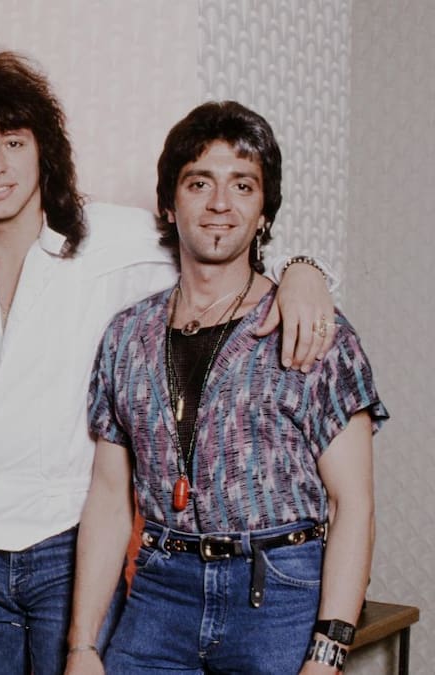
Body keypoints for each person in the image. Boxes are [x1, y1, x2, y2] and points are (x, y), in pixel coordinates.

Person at [0, 49, 340, 675]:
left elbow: (218, 240)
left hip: (69, 547)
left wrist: (303, 270)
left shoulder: (110, 241)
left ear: (44, 150)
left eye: (14, 142)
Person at [67, 100, 386, 674]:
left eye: (242, 185)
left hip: (278, 592)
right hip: (161, 590)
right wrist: (82, 646)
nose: (220, 203)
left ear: (264, 212)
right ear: (169, 204)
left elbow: (353, 504)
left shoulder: (311, 329)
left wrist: (328, 653)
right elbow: (110, 500)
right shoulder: (126, 336)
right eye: (199, 183)